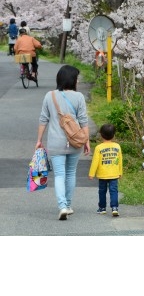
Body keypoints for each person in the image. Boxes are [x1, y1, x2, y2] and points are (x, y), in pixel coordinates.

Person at [36, 65, 91, 220]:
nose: (78, 81)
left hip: (55, 143)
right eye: (77, 78)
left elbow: (43, 119)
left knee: (60, 174)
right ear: (72, 79)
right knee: (71, 173)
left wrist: (39, 140)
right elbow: (83, 121)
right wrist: (86, 141)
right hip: (75, 143)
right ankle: (67, 204)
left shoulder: (49, 95)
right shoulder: (79, 97)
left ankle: (62, 206)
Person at [88, 123, 123, 217]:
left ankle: (102, 208)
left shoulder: (99, 148)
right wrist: (120, 172)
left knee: (102, 191)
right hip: (114, 174)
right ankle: (114, 208)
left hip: (102, 174)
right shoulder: (117, 146)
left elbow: (95, 162)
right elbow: (119, 161)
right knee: (114, 191)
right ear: (114, 135)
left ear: (101, 135)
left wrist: (91, 173)